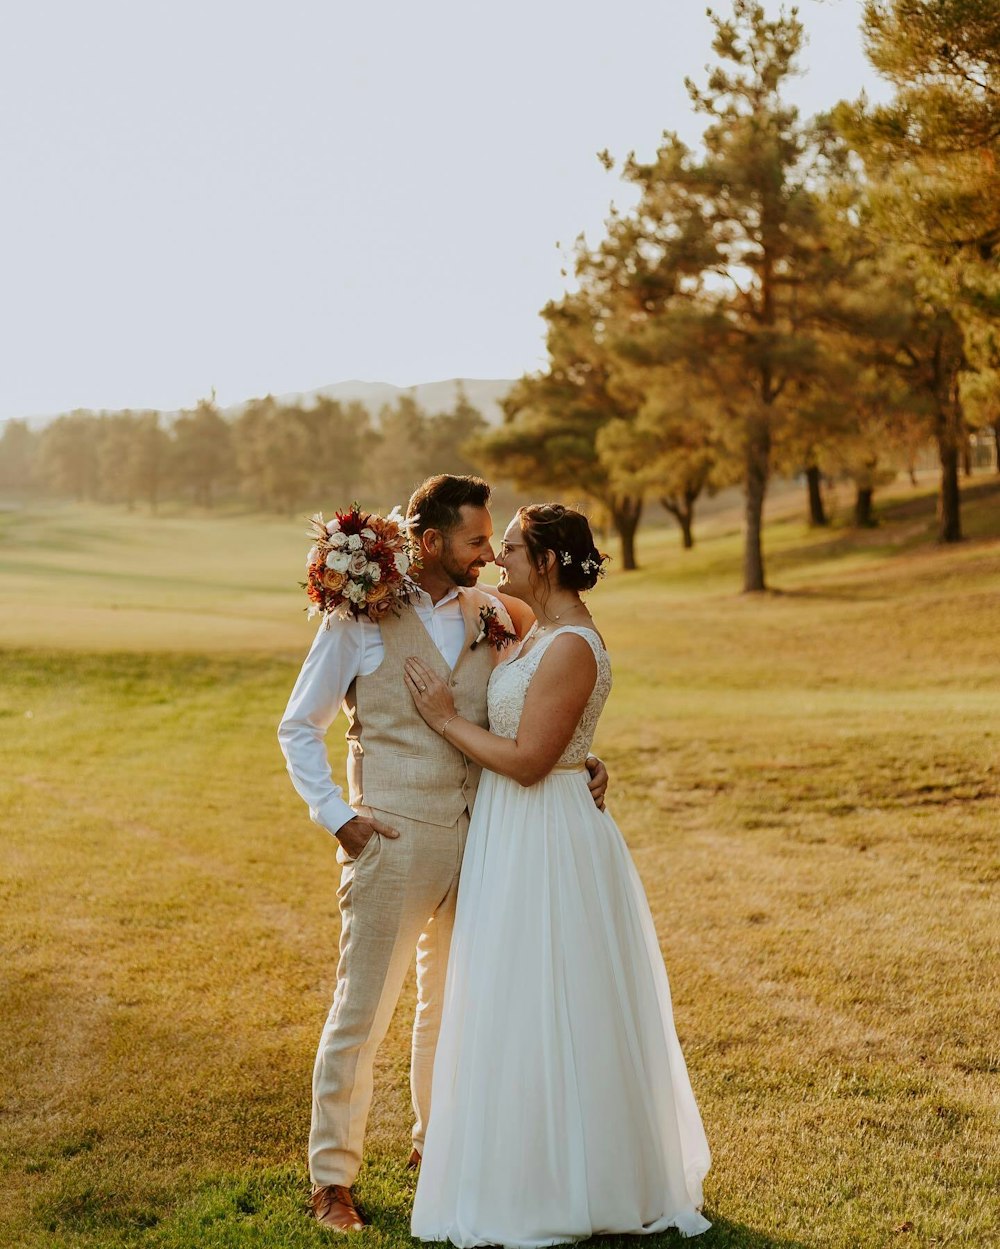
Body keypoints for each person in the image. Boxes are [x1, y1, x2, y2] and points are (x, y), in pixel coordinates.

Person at [277, 476, 609, 1234]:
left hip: (485, 838)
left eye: (495, 541)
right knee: (362, 1013)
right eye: (474, 541)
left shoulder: (491, 612)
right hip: (392, 840)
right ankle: (333, 1179)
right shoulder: (360, 618)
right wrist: (339, 818)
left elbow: (543, 698)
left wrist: (582, 760)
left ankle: (437, 1150)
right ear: (428, 542)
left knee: (453, 1009)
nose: (488, 553)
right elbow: (299, 725)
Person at [404, 503, 711, 1247]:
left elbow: (531, 760)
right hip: (513, 829)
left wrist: (445, 718)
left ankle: (579, 1180)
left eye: (509, 547)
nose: (497, 557)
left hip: (547, 834)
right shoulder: (532, 627)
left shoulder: (572, 644)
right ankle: (517, 1165)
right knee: (510, 997)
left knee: (556, 996)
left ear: (545, 561)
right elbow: (544, 726)